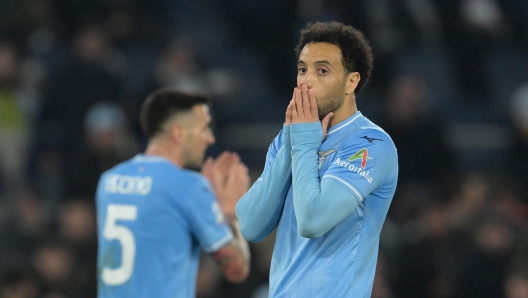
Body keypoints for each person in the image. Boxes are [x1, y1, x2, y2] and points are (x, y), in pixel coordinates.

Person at [236, 21, 398, 297]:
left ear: (351, 81)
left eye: (322, 70)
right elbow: (250, 226)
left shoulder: (371, 143)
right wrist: (292, 143)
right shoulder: (291, 137)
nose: (306, 81)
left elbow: (313, 221)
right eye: (302, 69)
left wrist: (302, 144)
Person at [95, 88, 250, 297]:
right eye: (204, 128)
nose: (210, 139)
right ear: (178, 133)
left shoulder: (109, 180)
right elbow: (237, 270)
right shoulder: (188, 186)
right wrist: (230, 214)